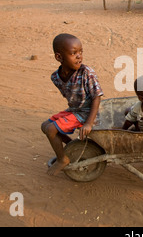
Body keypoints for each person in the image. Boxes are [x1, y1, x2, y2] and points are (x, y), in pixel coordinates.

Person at [41, 33, 103, 176]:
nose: (79, 56)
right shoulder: (55, 77)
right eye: (74, 53)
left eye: (81, 52)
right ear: (59, 57)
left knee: (51, 129)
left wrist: (89, 123)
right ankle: (72, 148)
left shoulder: (87, 73)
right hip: (75, 110)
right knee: (45, 126)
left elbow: (97, 97)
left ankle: (63, 159)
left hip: (86, 113)